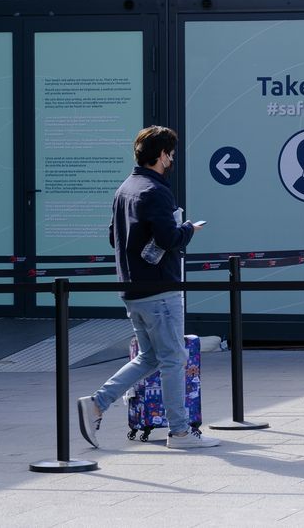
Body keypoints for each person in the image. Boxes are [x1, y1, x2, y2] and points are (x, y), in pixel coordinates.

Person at [78, 126, 219, 449]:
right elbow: (169, 239)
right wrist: (187, 229)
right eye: (170, 154)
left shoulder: (125, 189)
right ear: (161, 155)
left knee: (149, 357)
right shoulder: (156, 191)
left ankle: (98, 403)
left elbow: (115, 237)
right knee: (172, 359)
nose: (171, 160)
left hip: (133, 289)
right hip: (160, 290)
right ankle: (180, 432)